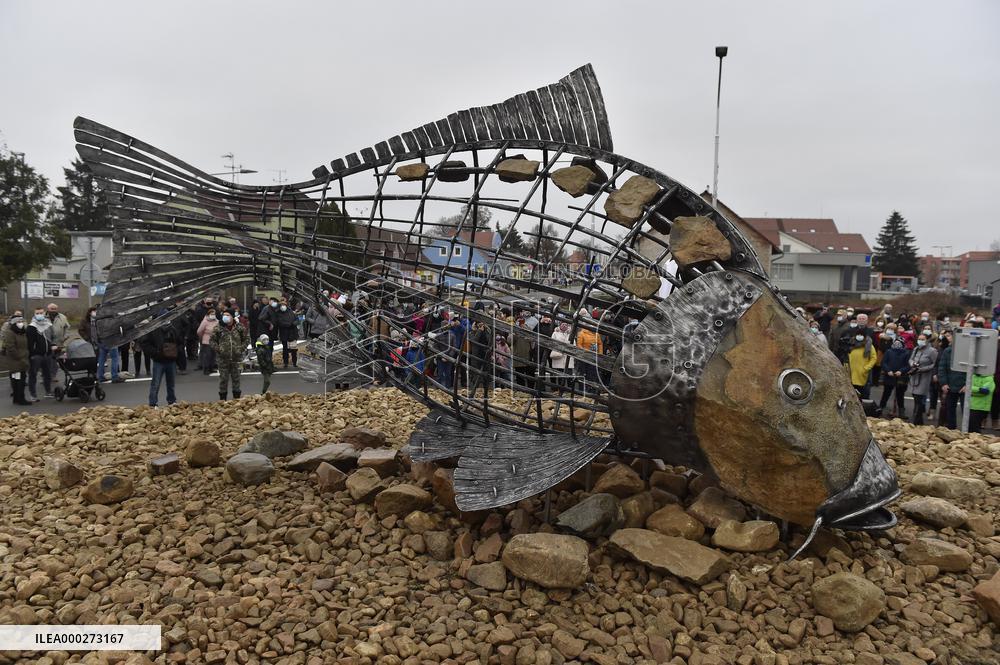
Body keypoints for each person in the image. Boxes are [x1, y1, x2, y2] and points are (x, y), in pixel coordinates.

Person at [140, 321, 181, 407]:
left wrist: (177, 351)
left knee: (169, 383)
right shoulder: (154, 329)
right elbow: (145, 343)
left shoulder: (172, 329)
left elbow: (180, 341)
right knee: (156, 384)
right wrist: (156, 353)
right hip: (160, 360)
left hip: (170, 360)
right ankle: (153, 403)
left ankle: (171, 401)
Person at [211, 310, 249, 400]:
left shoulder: (239, 327)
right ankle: (223, 400)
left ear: (232, 316)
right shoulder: (218, 328)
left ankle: (236, 399)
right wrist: (219, 349)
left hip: (236, 358)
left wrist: (240, 349)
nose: (225, 317)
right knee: (223, 379)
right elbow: (212, 341)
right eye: (224, 315)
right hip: (223, 359)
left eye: (227, 315)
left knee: (236, 379)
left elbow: (246, 339)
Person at [908, 334, 938, 426]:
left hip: (924, 377)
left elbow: (935, 364)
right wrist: (913, 364)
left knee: (919, 398)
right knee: (915, 396)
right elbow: (911, 359)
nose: (920, 341)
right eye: (919, 339)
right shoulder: (916, 349)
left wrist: (923, 368)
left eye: (923, 339)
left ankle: (915, 419)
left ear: (927, 340)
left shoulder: (932, 351)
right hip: (914, 376)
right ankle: (919, 421)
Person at [26, 307, 55, 401]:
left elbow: (52, 337)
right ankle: (33, 395)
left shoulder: (48, 325)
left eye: (41, 313)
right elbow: (29, 343)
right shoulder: (31, 327)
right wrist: (32, 354)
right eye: (37, 313)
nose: (39, 315)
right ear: (34, 314)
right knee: (33, 375)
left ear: (44, 313)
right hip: (36, 355)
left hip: (47, 354)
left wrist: (52, 346)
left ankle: (48, 392)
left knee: (47, 374)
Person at [2, 314, 32, 405]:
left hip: (22, 359)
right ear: (14, 323)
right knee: (19, 380)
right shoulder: (10, 332)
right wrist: (19, 357)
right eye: (18, 322)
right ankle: (20, 398)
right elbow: (10, 347)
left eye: (22, 321)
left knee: (19, 379)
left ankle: (17, 398)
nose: (21, 323)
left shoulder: (22, 332)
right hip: (16, 360)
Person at [937, 336, 965, 430]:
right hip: (950, 385)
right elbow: (942, 368)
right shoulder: (948, 351)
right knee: (950, 409)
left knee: (966, 410)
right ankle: (951, 429)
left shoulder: (969, 351)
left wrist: (968, 385)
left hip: (965, 387)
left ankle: (967, 432)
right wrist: (944, 383)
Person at [878, 337, 910, 418]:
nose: (897, 344)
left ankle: (901, 412)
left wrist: (901, 371)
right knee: (886, 394)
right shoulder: (889, 351)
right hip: (889, 376)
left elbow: (907, 366)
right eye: (896, 342)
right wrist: (888, 370)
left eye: (899, 343)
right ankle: (880, 409)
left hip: (900, 377)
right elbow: (883, 363)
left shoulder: (906, 353)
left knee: (900, 395)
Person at [848, 331, 877, 399]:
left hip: (862, 373)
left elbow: (873, 358)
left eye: (861, 335)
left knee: (862, 393)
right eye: (858, 334)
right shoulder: (851, 344)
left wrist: (866, 368)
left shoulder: (869, 346)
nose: (859, 336)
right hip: (851, 372)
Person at [550, 321, 575, 392]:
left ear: (568, 326)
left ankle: (570, 391)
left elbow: (574, 345)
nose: (564, 326)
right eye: (563, 324)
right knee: (560, 376)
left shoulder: (571, 334)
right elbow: (552, 343)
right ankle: (561, 391)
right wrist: (562, 347)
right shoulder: (555, 333)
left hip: (568, 357)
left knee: (569, 376)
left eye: (566, 324)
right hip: (559, 357)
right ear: (560, 325)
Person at [276, 299, 299, 368]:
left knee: (294, 349)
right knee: (285, 349)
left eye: (284, 304)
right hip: (284, 333)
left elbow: (297, 319)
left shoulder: (291, 312)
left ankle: (294, 362)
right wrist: (289, 324)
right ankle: (285, 362)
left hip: (293, 333)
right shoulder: (278, 313)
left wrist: (294, 324)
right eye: (281, 305)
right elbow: (280, 322)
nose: (283, 306)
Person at [196, 308, 219, 375]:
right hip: (207, 341)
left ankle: (211, 368)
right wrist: (202, 337)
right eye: (212, 314)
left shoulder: (217, 321)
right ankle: (206, 369)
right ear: (208, 314)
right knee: (207, 355)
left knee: (213, 355)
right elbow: (199, 331)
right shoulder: (205, 321)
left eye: (214, 314)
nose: (213, 315)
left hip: (215, 340)